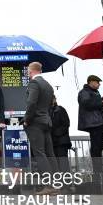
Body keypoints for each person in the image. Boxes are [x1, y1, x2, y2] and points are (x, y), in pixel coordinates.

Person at [24, 62, 58, 196]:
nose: (27, 73)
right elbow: (50, 105)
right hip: (46, 121)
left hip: (35, 122)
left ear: (31, 71)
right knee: (50, 153)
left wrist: (27, 119)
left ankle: (48, 185)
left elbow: (31, 103)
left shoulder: (34, 83)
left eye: (28, 71)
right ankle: (56, 184)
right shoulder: (48, 86)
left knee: (39, 153)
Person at [77, 75, 103, 173]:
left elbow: (94, 103)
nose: (99, 84)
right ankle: (97, 170)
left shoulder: (94, 93)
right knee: (96, 148)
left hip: (98, 123)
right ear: (91, 82)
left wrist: (102, 100)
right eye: (97, 82)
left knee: (99, 147)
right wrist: (102, 102)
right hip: (94, 124)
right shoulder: (84, 92)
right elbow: (87, 104)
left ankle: (99, 169)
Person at [50, 95, 72, 172]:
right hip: (52, 142)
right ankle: (58, 182)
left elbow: (66, 124)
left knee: (63, 164)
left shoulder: (60, 110)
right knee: (54, 164)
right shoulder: (47, 111)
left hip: (61, 142)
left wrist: (56, 133)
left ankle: (66, 182)